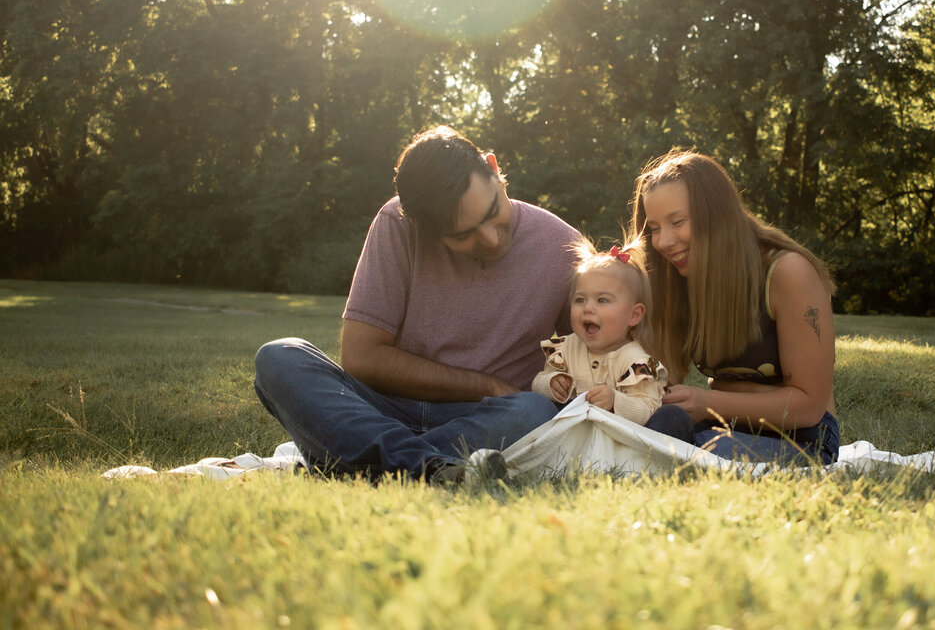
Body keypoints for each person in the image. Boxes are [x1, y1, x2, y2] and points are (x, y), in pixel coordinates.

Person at [253, 126, 580, 483]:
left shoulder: (564, 246)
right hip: (383, 408)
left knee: (532, 410)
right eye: (462, 235)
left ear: (493, 167)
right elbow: (363, 358)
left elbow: (586, 361)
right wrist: (487, 385)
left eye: (491, 212)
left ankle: (363, 461)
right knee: (279, 357)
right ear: (421, 227)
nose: (490, 238)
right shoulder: (396, 223)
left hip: (488, 417)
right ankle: (431, 467)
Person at [629, 150, 840, 465]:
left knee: (694, 460)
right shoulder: (675, 279)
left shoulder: (787, 273)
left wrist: (708, 402)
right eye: (655, 228)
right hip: (718, 426)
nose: (664, 241)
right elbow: (662, 377)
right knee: (637, 442)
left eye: (677, 222)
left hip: (803, 437)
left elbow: (809, 405)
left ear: (717, 214)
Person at [531, 239, 667, 425]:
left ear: (634, 315)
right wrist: (550, 383)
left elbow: (647, 407)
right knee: (534, 407)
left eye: (602, 300)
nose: (588, 308)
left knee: (669, 418)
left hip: (617, 440)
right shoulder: (567, 348)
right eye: (580, 300)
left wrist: (615, 401)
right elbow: (538, 381)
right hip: (571, 434)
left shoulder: (636, 361)